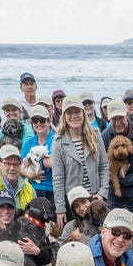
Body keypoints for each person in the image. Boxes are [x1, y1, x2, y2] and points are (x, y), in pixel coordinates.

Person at [101, 100, 133, 254]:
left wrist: (125, 179)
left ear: (127, 115)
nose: (117, 123)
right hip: (115, 197)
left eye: (120, 118)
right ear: (109, 119)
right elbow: (102, 166)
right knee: (112, 235)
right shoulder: (105, 136)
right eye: (113, 119)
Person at [50, 96, 109, 224]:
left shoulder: (95, 134)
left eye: (77, 111)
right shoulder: (58, 142)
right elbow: (58, 178)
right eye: (69, 112)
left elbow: (104, 166)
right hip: (74, 204)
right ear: (64, 116)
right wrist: (60, 209)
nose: (74, 116)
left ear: (83, 113)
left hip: (95, 199)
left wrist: (102, 193)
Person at [0, 145, 34, 220]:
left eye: (16, 164)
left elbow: (34, 219)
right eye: (7, 164)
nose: (12, 168)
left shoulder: (29, 189)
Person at [20, 105, 55, 202]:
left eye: (42, 120)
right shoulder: (29, 142)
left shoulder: (56, 140)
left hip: (53, 188)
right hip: (33, 188)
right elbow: (20, 165)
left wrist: (30, 159)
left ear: (49, 121)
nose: (38, 123)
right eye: (35, 120)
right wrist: (29, 174)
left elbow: (54, 162)